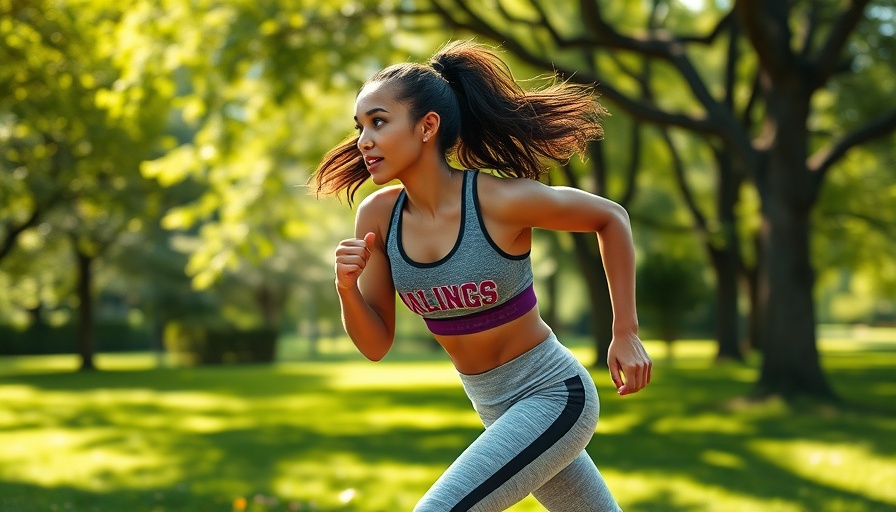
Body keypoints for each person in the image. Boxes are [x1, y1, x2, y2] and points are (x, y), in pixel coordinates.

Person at [312, 40, 652, 512]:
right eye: (360, 127)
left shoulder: (496, 202)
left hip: (554, 395)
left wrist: (626, 332)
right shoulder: (378, 218)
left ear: (427, 126)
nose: (363, 141)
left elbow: (610, 217)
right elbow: (376, 345)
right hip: (494, 408)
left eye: (379, 122)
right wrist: (346, 289)